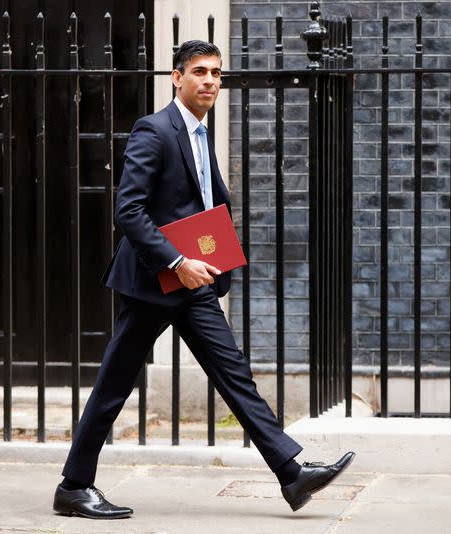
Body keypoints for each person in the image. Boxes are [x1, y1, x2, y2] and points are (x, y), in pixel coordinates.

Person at [52, 40, 354, 520]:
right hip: (154, 283)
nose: (210, 80)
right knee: (114, 384)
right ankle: (73, 486)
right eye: (199, 72)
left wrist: (215, 262)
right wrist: (176, 262)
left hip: (193, 285)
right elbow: (129, 211)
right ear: (177, 77)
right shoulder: (154, 130)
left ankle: (292, 475)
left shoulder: (200, 133)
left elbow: (208, 205)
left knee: (235, 376)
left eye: (216, 72)